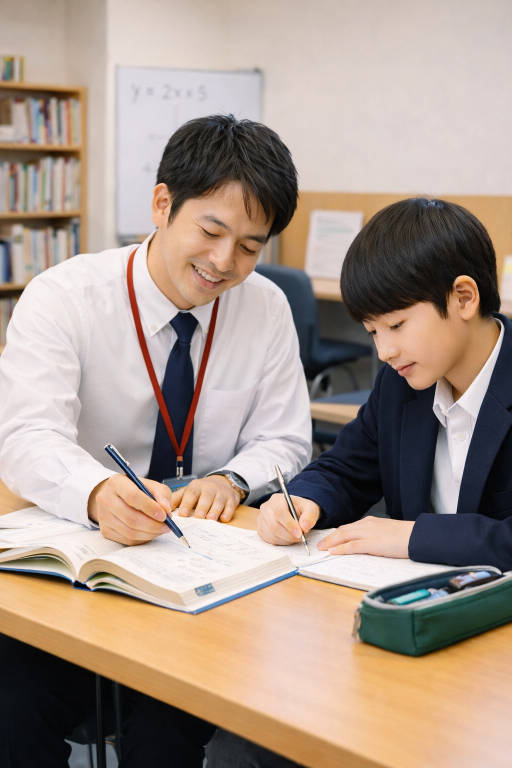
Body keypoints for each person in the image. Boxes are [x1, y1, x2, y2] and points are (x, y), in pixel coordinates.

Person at [0, 114, 311, 767]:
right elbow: (26, 436)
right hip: (82, 568)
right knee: (14, 707)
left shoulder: (265, 309)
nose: (225, 263)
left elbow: (286, 440)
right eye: (211, 231)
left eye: (252, 247)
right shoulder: (65, 298)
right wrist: (94, 492)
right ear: (162, 203)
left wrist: (232, 479)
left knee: (169, 732)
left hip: (201, 579)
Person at [206, 197, 512, 768]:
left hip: (494, 654)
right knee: (247, 743)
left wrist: (412, 536)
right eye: (373, 331)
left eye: (396, 325)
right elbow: (345, 467)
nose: (384, 350)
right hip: (407, 626)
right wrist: (301, 502)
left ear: (464, 297)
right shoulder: (405, 381)